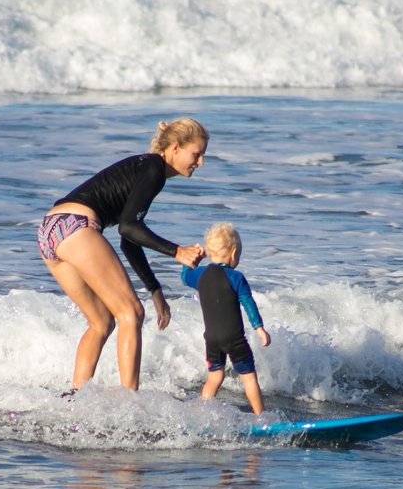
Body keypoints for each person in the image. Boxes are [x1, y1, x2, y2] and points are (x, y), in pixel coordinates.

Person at [37, 118, 207, 392]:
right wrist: (177, 251)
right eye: (196, 154)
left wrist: (154, 290)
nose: (200, 163)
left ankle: (76, 399)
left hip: (50, 230)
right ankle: (131, 401)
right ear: (175, 148)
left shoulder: (145, 167)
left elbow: (129, 237)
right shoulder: (153, 167)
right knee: (131, 313)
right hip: (75, 225)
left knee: (101, 322)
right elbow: (129, 226)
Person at [181, 221, 271, 414]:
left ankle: (201, 413)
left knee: (215, 376)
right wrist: (259, 328)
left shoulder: (200, 275)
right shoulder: (236, 277)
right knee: (248, 378)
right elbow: (248, 303)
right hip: (235, 340)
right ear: (234, 252)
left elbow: (184, 276)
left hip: (211, 340)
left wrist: (193, 261)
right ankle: (261, 417)